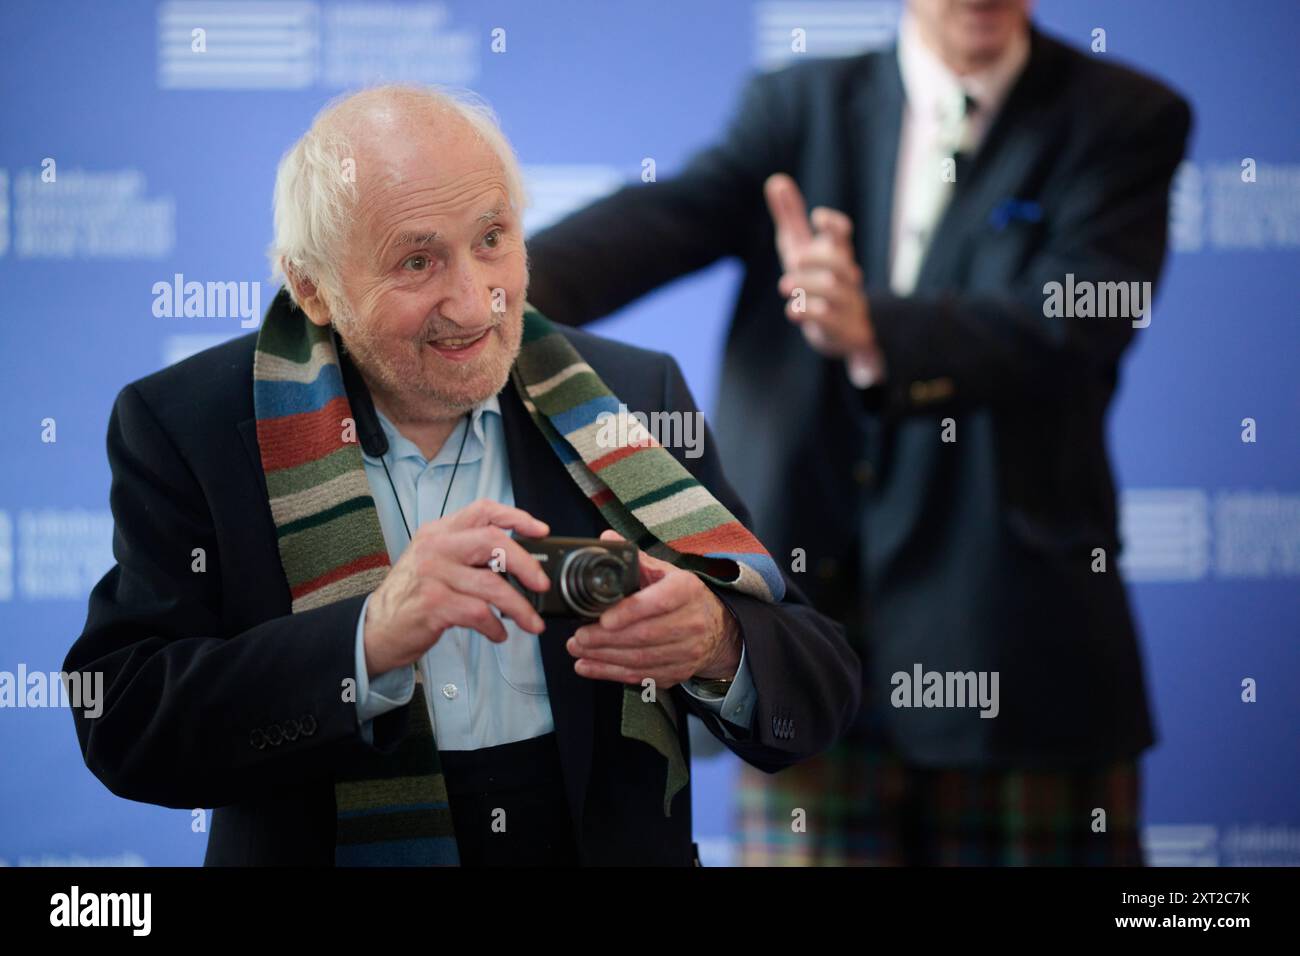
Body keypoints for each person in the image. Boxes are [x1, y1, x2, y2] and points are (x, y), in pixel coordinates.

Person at [64, 86, 861, 866]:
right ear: (311, 287)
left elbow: (820, 681)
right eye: (417, 260)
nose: (475, 302)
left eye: (491, 240)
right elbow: (125, 720)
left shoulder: (636, 396)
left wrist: (719, 643)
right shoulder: (187, 424)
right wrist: (365, 642)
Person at [526, 0, 1193, 865]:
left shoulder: (1125, 114)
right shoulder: (800, 104)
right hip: (805, 655)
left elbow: (1080, 317)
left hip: (1019, 645)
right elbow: (661, 222)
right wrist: (493, 295)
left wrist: (874, 328)